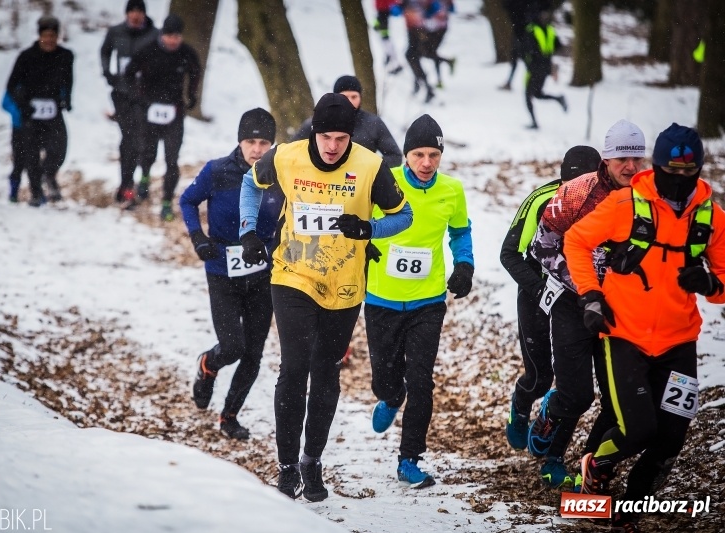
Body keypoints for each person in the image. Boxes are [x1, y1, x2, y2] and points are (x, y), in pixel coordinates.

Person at [239, 93, 413, 501]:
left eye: (341, 138)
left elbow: (404, 216)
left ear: (351, 136)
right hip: (292, 273)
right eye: (326, 137)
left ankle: (311, 460)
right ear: (314, 133)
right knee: (294, 366)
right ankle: (286, 467)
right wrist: (248, 230)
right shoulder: (286, 156)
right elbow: (250, 182)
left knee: (326, 372)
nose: (333, 146)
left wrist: (369, 230)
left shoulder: (370, 166)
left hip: (345, 283)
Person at [565, 124, 725, 531]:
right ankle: (595, 469)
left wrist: (710, 284)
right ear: (657, 167)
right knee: (637, 429)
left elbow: (724, 281)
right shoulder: (625, 204)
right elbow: (577, 241)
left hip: (679, 342)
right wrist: (591, 296)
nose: (679, 181)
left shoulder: (710, 217)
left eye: (689, 173)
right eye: (671, 172)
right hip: (624, 336)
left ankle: (630, 510)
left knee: (671, 437)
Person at [527, 120, 646, 489]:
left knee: (616, 403)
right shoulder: (577, 192)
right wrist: (584, 285)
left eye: (637, 158)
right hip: (573, 304)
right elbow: (541, 247)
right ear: (606, 159)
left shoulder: (649, 198)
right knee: (576, 395)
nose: (631, 166)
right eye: (622, 158)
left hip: (621, 310)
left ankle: (587, 469)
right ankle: (551, 420)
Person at [365, 114, 473, 489]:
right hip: (382, 298)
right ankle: (391, 397)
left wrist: (465, 265)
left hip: (428, 301)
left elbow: (460, 232)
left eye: (433, 155)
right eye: (418, 155)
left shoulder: (452, 190)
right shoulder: (385, 181)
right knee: (385, 380)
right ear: (406, 155)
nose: (426, 163)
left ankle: (409, 458)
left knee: (422, 381)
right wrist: (364, 247)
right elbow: (361, 222)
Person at [180, 108, 281, 440]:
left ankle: (229, 417)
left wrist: (277, 247)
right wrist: (198, 237)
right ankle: (208, 365)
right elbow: (187, 201)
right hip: (222, 270)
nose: (257, 149)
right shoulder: (217, 171)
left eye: (264, 143)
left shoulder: (280, 176)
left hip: (262, 274)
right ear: (240, 141)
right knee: (232, 346)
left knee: (253, 353)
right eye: (251, 141)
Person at [499, 145, 601, 452]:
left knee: (574, 386)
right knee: (541, 378)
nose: (576, 193)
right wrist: (540, 291)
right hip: (538, 298)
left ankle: (553, 450)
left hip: (578, 302)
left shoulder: (607, 203)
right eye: (570, 184)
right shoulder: (542, 199)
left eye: (586, 185)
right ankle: (521, 405)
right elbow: (509, 254)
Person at [125, 13, 200, 221]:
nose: (173, 41)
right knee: (147, 152)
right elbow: (129, 72)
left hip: (174, 112)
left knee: (172, 159)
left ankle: (166, 202)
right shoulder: (148, 50)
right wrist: (137, 97)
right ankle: (144, 178)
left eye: (177, 37)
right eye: (169, 36)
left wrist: (191, 95)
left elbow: (195, 72)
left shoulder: (186, 53)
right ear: (162, 35)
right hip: (149, 110)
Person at [6, 16, 73, 206]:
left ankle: (49, 175)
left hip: (53, 110)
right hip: (30, 112)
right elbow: (12, 85)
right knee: (31, 154)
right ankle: (36, 193)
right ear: (39, 36)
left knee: (59, 148)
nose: (49, 40)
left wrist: (67, 99)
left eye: (53, 36)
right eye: (46, 35)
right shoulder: (26, 56)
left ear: (58, 36)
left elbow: (68, 79)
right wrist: (23, 105)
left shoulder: (65, 56)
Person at [100, 0, 159, 205]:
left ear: (144, 14)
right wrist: (108, 73)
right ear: (126, 14)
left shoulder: (154, 34)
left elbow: (163, 59)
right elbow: (105, 51)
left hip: (146, 96)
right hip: (122, 93)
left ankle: (144, 176)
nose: (135, 15)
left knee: (145, 139)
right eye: (132, 11)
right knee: (129, 138)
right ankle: (126, 184)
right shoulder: (116, 32)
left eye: (139, 11)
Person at [292, 75, 402, 168]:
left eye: (354, 97)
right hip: (322, 181)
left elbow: (395, 156)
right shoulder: (316, 123)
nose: (350, 101)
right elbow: (292, 152)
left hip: (359, 181)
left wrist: (366, 167)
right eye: (345, 96)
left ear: (360, 97)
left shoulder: (373, 123)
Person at [523, 9, 566, 129]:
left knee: (528, 95)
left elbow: (527, 49)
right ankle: (558, 98)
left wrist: (529, 60)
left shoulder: (532, 29)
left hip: (534, 68)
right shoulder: (550, 30)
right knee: (537, 94)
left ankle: (534, 123)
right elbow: (559, 46)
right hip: (545, 67)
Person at [402, 0, 449, 103]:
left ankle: (425, 85)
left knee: (414, 55)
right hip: (414, 29)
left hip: (421, 29)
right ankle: (421, 83)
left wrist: (426, 21)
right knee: (414, 56)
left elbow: (437, 10)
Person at [499, 0, 548, 91]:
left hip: (525, 34)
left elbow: (507, 6)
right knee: (521, 59)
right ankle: (528, 83)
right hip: (524, 32)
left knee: (525, 59)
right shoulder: (527, 5)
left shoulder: (521, 5)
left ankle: (531, 84)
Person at [373, 0, 403, 74]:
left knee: (386, 41)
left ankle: (395, 64)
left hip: (384, 14)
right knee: (385, 41)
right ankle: (392, 61)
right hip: (382, 14)